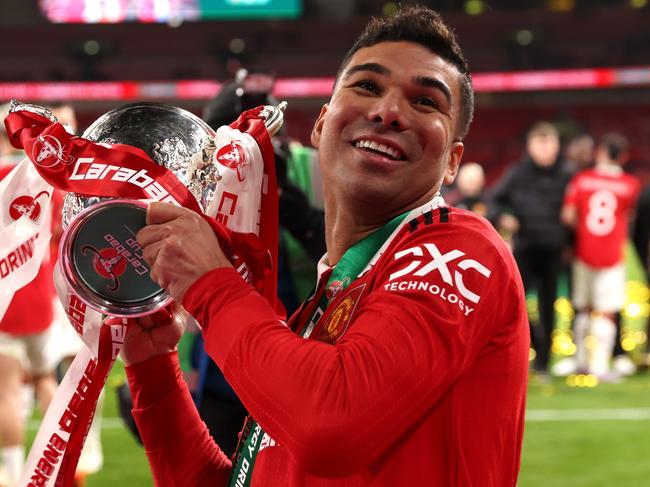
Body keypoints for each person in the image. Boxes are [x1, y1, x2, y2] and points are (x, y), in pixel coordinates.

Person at [122, 6, 529, 486]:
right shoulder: (318, 309)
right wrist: (152, 364)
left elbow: (331, 425)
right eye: (367, 87)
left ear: (452, 161)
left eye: (425, 102)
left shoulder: (459, 248)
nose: (387, 111)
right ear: (320, 125)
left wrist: (212, 286)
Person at [0, 103, 59, 487]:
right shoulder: (46, 176)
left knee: (5, 389)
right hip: (39, 293)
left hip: (5, 295)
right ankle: (60, 461)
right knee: (44, 378)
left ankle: (12, 472)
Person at [490, 121, 573, 375]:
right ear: (531, 146)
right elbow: (493, 200)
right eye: (541, 143)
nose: (546, 149)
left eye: (550, 144)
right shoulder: (517, 173)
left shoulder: (568, 174)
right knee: (519, 304)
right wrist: (503, 216)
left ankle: (544, 361)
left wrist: (571, 242)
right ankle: (533, 344)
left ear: (557, 146)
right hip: (525, 248)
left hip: (554, 250)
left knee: (551, 305)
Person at [560, 133, 640, 380]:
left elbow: (568, 216)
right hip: (613, 253)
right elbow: (629, 217)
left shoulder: (582, 179)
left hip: (584, 250)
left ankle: (580, 361)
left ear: (601, 152)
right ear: (624, 156)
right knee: (607, 311)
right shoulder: (630, 185)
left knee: (583, 308)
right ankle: (601, 367)